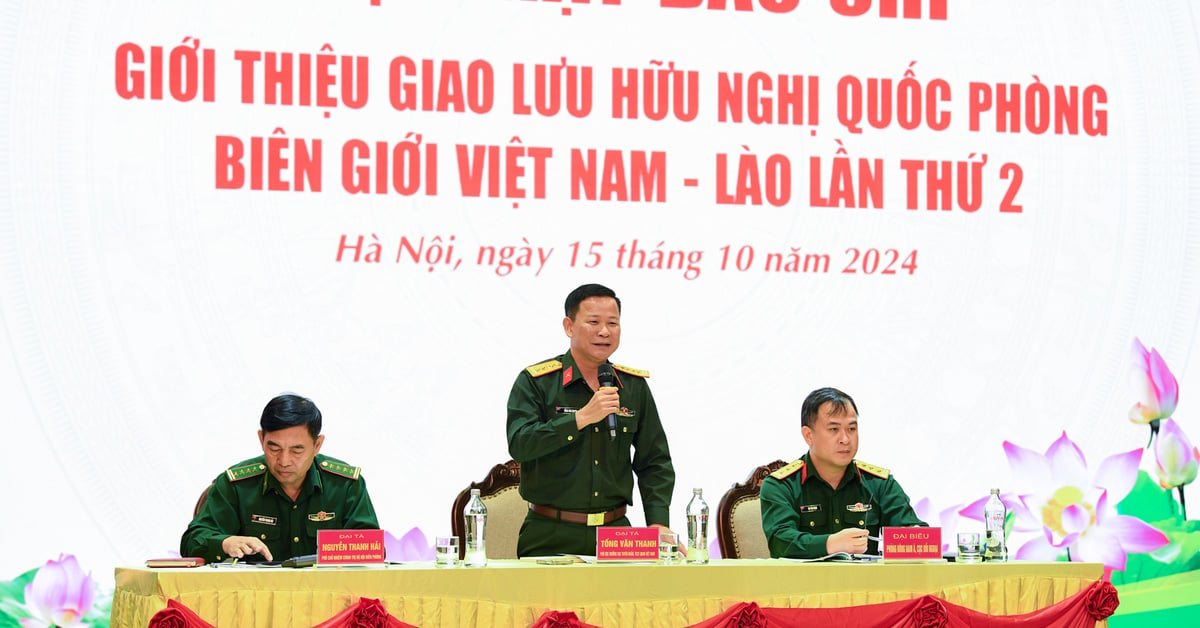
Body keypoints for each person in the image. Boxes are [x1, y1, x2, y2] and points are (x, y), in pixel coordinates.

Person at [506, 284, 677, 557]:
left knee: (630, 601)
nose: (604, 332)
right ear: (569, 326)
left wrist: (658, 521)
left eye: (613, 323)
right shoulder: (537, 382)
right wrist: (581, 418)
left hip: (616, 534)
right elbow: (520, 444)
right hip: (550, 534)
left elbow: (655, 461)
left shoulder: (632, 387)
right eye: (594, 322)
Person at [180, 394, 379, 562]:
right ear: (261, 439)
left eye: (296, 450)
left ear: (317, 445)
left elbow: (372, 549)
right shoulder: (237, 486)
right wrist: (225, 543)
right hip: (253, 601)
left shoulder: (344, 485)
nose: (284, 461)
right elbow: (192, 540)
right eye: (274, 448)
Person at [760, 387, 926, 559]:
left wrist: (915, 538)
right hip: (805, 584)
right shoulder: (781, 485)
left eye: (852, 429)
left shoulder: (880, 484)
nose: (845, 439)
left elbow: (920, 540)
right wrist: (831, 544)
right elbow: (780, 542)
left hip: (867, 584)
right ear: (808, 435)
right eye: (834, 429)